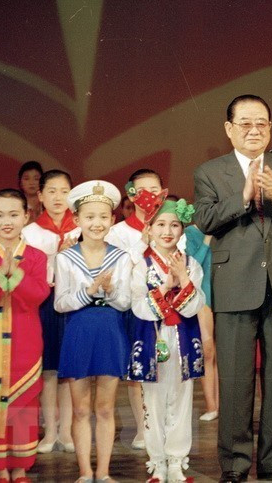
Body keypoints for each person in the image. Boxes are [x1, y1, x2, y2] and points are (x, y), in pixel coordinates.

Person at [193, 94, 272, 483]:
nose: (254, 130)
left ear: (270, 128)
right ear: (229, 129)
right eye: (245, 123)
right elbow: (206, 219)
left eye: (261, 123)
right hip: (234, 286)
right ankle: (234, 465)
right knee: (235, 381)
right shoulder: (211, 172)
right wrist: (244, 196)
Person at [55, 180, 132, 483]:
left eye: (103, 216)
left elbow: (125, 302)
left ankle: (103, 472)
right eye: (89, 217)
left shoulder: (122, 257)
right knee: (80, 409)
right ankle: (85, 472)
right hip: (79, 332)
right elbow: (61, 303)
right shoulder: (65, 257)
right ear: (77, 220)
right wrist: (90, 290)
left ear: (112, 220)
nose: (96, 223)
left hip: (110, 332)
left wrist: (110, 291)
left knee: (104, 408)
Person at [0, 189, 50, 482]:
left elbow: (38, 295)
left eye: (14, 214)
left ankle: (20, 467)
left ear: (26, 217)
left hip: (26, 342)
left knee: (24, 402)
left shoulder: (36, 257)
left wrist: (15, 275)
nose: (7, 221)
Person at [129, 199, 205, 483]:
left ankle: (176, 461)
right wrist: (165, 288)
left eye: (174, 225)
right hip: (152, 340)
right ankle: (157, 461)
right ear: (148, 229)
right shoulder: (141, 266)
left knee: (182, 398)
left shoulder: (191, 264)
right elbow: (137, 306)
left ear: (182, 229)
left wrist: (184, 278)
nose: (168, 231)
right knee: (153, 399)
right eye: (160, 224)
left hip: (182, 340)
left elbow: (194, 306)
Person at [106, 168, 166, 451]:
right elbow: (118, 270)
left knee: (168, 366)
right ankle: (143, 428)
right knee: (137, 371)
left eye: (156, 190)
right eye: (143, 191)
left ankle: (164, 425)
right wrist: (142, 240)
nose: (150, 196)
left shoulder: (169, 223)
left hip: (168, 306)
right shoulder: (117, 231)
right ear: (131, 194)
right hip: (134, 308)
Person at [21, 170, 79, 454]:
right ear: (41, 196)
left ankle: (67, 432)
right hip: (43, 304)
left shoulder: (80, 229)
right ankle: (50, 431)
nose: (58, 197)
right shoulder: (30, 233)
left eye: (64, 191)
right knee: (47, 371)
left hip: (73, 304)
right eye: (52, 191)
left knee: (68, 370)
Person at [184, 224, 219, 422]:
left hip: (224, 293)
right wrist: (206, 239)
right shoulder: (190, 232)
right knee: (207, 351)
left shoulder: (226, 228)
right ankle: (210, 405)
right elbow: (191, 265)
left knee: (223, 352)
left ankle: (223, 405)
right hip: (203, 294)